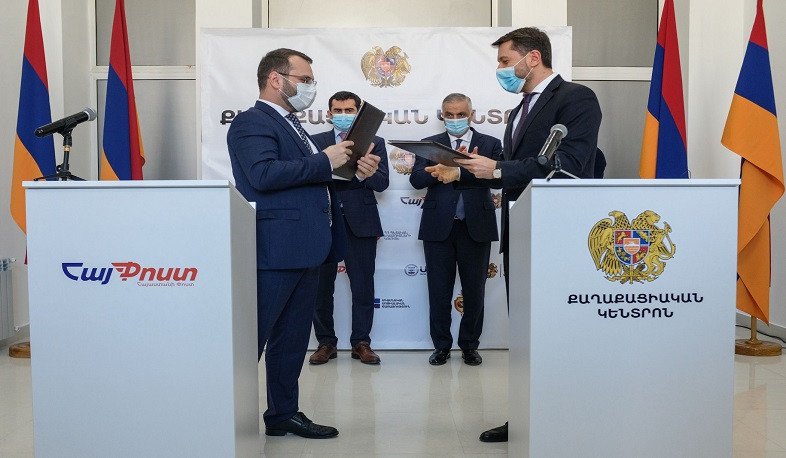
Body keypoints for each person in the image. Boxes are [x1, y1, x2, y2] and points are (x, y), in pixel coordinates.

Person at [427, 27, 602, 442]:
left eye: (505, 61)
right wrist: (466, 172)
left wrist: (499, 168)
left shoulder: (576, 98)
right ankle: (526, 417)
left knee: (555, 334)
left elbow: (571, 162)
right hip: (520, 233)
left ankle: (567, 420)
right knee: (525, 334)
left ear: (533, 57)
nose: (501, 69)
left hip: (555, 233)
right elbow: (511, 171)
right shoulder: (518, 110)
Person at [227, 48, 380, 439]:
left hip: (309, 247)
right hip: (276, 250)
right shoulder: (251, 122)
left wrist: (353, 171)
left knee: (292, 340)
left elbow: (309, 179)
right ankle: (224, 421)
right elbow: (263, 175)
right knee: (251, 341)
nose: (311, 86)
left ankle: (282, 414)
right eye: (305, 79)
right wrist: (326, 160)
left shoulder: (293, 125)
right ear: (276, 79)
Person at [410, 93, 502, 367]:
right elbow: (416, 180)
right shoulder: (429, 144)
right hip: (439, 226)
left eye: (460, 114)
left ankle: (470, 346)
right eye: (449, 115)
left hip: (477, 226)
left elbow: (497, 181)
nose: (455, 119)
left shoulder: (490, 144)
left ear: (471, 115)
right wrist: (440, 168)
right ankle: (441, 346)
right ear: (442, 115)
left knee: (475, 291)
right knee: (439, 291)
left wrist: (463, 170)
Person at [309, 91, 389, 365]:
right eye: (338, 111)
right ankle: (326, 343)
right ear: (329, 114)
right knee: (321, 287)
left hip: (361, 221)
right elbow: (308, 178)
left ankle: (361, 343)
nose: (343, 115)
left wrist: (367, 174)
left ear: (358, 113)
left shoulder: (375, 143)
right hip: (324, 220)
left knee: (363, 286)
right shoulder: (315, 142)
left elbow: (383, 183)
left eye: (349, 110)